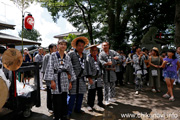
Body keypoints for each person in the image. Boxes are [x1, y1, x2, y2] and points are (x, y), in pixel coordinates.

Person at [44, 40, 76, 120]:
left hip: (65, 79)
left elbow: (70, 69)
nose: (63, 46)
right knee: (56, 99)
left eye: (65, 44)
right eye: (61, 44)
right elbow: (50, 67)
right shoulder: (53, 55)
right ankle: (56, 116)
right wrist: (51, 81)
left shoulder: (67, 57)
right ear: (58, 46)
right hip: (55, 79)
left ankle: (63, 115)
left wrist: (70, 82)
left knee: (64, 99)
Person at [67, 37, 89, 116]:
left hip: (82, 79)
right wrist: (69, 78)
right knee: (72, 96)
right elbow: (68, 66)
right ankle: (68, 112)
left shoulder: (85, 55)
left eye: (82, 46)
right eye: (79, 45)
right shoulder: (71, 54)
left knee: (80, 95)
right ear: (75, 46)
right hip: (73, 79)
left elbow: (85, 66)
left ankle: (78, 109)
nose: (81, 47)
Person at [86, 44, 105, 111]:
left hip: (99, 77)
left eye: (96, 50)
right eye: (93, 50)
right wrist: (89, 78)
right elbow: (87, 69)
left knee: (100, 91)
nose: (94, 52)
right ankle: (89, 104)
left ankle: (100, 103)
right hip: (92, 77)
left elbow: (100, 66)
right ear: (90, 51)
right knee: (91, 91)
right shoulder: (88, 58)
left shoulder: (97, 57)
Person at [41, 44, 57, 114]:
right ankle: (50, 108)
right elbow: (44, 68)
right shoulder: (46, 56)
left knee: (55, 93)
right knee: (50, 94)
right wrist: (46, 79)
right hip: (49, 79)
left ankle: (55, 107)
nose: (56, 49)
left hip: (55, 78)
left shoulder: (56, 56)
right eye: (54, 48)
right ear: (50, 49)